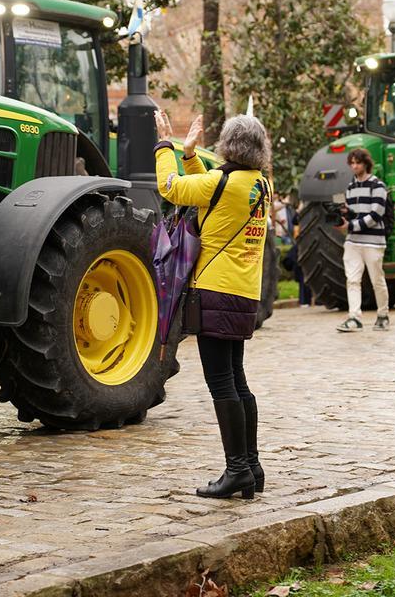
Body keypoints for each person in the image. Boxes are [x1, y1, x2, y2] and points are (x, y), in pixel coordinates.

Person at [155, 110, 272, 500]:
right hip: (244, 292)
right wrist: (189, 154)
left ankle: (237, 469)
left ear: (228, 145)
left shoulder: (223, 183)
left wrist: (165, 146)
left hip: (214, 290)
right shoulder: (260, 185)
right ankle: (252, 467)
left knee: (221, 382)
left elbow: (172, 188)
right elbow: (206, 187)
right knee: (237, 378)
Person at [335, 148, 391, 332]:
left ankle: (383, 315)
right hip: (353, 241)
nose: (354, 166)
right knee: (352, 279)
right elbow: (354, 213)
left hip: (373, 242)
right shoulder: (350, 187)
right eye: (351, 163)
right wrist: (343, 214)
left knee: (377, 280)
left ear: (366, 163)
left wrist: (351, 226)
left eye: (357, 162)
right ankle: (354, 318)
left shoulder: (378, 186)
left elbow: (376, 215)